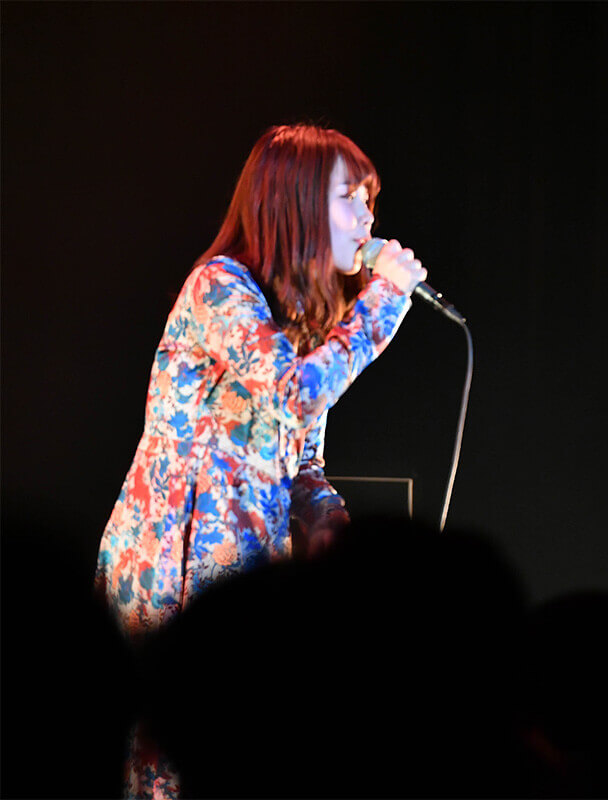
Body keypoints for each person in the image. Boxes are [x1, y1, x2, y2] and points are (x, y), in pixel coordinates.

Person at [94, 124, 426, 797]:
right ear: (293, 202)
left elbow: (300, 459)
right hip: (173, 570)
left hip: (246, 573)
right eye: (349, 196)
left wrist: (329, 518)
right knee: (170, 766)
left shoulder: (303, 322)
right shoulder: (219, 287)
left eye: (371, 200)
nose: (368, 215)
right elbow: (292, 393)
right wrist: (385, 301)